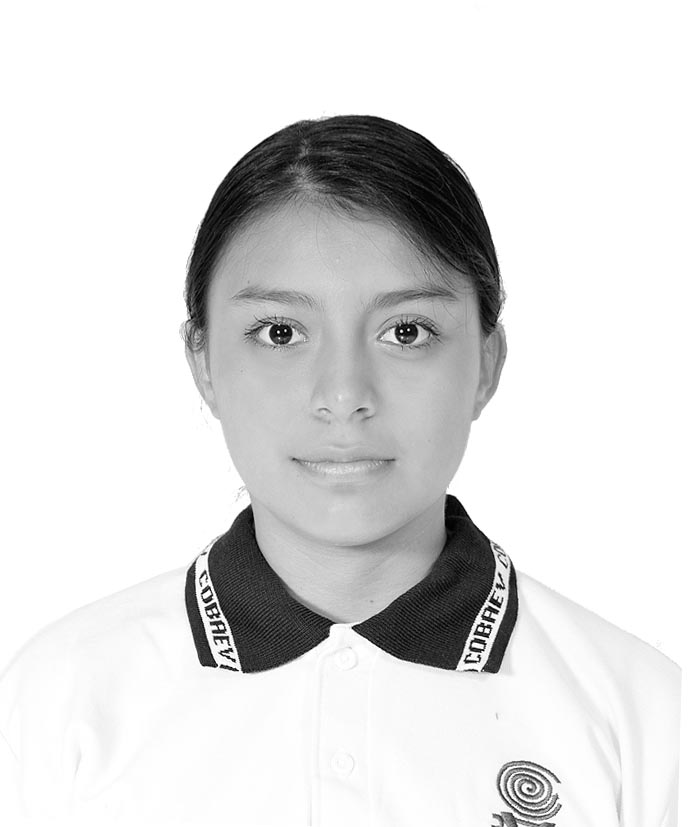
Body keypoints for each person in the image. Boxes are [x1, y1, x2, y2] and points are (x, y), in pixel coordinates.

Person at [0, 115, 680, 827]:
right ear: (202, 361)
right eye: (281, 332)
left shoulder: (641, 717)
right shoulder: (59, 705)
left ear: (487, 362)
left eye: (406, 332)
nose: (344, 394)